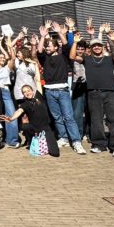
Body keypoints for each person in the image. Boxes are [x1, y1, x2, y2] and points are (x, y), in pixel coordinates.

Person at [70, 31, 114, 155]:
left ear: (102, 47)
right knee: (96, 120)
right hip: (93, 93)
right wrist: (74, 42)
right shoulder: (87, 59)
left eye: (99, 45)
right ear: (90, 48)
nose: (96, 47)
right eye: (94, 46)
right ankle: (99, 144)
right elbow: (72, 57)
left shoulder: (110, 58)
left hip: (110, 93)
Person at [36, 26, 86, 154]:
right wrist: (42, 37)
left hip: (62, 90)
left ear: (56, 47)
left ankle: (76, 142)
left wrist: (59, 32)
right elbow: (39, 51)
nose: (47, 48)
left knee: (68, 117)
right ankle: (63, 137)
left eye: (50, 46)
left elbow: (65, 46)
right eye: (47, 46)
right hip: (49, 90)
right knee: (57, 117)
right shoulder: (45, 58)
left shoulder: (64, 57)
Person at [2, 85, 60, 157]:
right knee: (25, 126)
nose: (27, 93)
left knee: (55, 153)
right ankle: (31, 139)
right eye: (24, 92)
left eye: (28, 91)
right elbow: (19, 111)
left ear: (33, 91)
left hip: (46, 128)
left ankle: (42, 142)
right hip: (35, 129)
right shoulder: (25, 104)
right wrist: (11, 118)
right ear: (23, 94)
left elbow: (37, 81)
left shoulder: (39, 98)